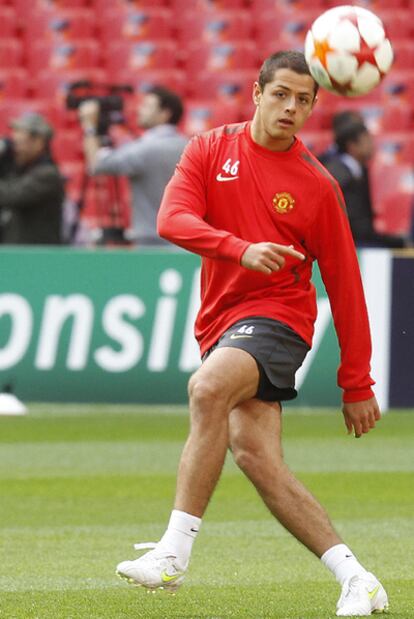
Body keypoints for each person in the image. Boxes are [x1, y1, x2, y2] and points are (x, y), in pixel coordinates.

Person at [116, 51, 389, 617]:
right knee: (257, 457)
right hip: (222, 319)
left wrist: (356, 381)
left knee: (207, 389)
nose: (291, 107)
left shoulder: (317, 185)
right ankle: (357, 577)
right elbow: (171, 219)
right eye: (282, 94)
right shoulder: (211, 148)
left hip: (280, 319)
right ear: (257, 92)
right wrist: (240, 248)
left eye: (304, 100)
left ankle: (173, 553)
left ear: (314, 107)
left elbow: (345, 285)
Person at [78, 86, 188, 246]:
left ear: (165, 113)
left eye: (147, 106)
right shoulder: (187, 144)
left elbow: (97, 165)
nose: (139, 110)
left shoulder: (146, 148)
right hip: (183, 238)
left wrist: (90, 126)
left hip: (151, 239)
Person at [322, 116, 406, 248]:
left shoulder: (359, 170)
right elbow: (356, 227)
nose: (373, 145)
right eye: (367, 140)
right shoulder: (340, 177)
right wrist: (397, 242)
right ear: (352, 146)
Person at [0, 113, 64, 244]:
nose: (15, 149)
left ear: (39, 142)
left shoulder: (48, 175)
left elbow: (11, 195)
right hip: (13, 255)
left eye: (19, 144)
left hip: (37, 258)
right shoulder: (18, 170)